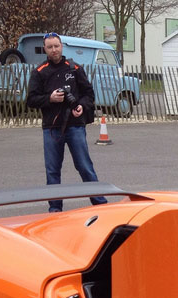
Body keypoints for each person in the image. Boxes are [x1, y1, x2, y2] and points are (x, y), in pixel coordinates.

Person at [26, 33, 107, 211]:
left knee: (85, 167)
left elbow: (89, 94)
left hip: (75, 126)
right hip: (51, 128)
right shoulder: (39, 72)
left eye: (56, 46)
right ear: (45, 49)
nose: (54, 50)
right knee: (52, 171)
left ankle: (100, 205)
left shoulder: (75, 68)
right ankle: (55, 210)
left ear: (62, 46)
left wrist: (81, 106)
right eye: (50, 47)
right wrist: (50, 98)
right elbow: (31, 100)